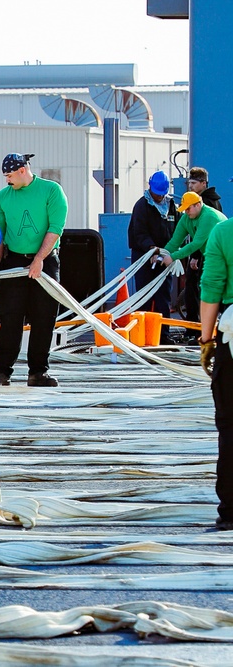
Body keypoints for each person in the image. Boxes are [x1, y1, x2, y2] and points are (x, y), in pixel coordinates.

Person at [0, 152, 67, 387]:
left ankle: (38, 372)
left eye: (9, 175)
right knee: (10, 317)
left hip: (46, 260)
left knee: (44, 317)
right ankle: (1, 371)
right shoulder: (3, 197)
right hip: (14, 261)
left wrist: (39, 259)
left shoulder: (51, 191)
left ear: (22, 170)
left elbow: (55, 228)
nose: (7, 180)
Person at [198, 210, 233, 530]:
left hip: (232, 333)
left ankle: (231, 509)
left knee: (230, 424)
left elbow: (211, 288)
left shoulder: (224, 233)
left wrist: (207, 340)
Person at [160, 191, 228, 323]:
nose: (186, 212)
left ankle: (222, 323)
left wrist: (172, 257)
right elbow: (175, 241)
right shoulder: (187, 218)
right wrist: (163, 254)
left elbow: (196, 243)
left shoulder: (209, 217)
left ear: (198, 205)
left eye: (189, 208)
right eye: (184, 209)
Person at [128, 171, 178, 341]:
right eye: (157, 193)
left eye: (161, 194)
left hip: (165, 256)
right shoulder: (142, 206)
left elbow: (177, 230)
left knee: (163, 296)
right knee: (144, 295)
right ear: (150, 188)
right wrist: (151, 249)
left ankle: (162, 334)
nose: (159, 197)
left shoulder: (171, 206)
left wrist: (171, 252)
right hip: (144, 255)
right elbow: (139, 232)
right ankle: (142, 334)